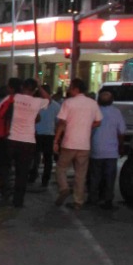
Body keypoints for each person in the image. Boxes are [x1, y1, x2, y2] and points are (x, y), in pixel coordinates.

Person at [53, 78, 102, 209]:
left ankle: (63, 188)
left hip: (69, 142)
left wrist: (56, 140)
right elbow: (98, 122)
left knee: (61, 168)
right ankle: (78, 202)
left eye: (70, 87)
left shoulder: (68, 103)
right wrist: (87, 126)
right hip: (84, 144)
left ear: (75, 89)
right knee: (81, 174)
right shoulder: (93, 103)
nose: (69, 89)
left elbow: (62, 123)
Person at [4, 79, 50, 208]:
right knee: (22, 172)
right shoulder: (37, 101)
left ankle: (5, 193)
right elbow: (48, 99)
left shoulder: (15, 97)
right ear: (34, 89)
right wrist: (40, 87)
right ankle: (18, 201)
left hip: (12, 138)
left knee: (7, 168)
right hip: (28, 141)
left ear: (22, 86)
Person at [88, 88, 127, 209]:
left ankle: (93, 198)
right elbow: (121, 132)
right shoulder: (116, 112)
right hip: (111, 150)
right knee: (110, 177)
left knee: (95, 176)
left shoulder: (93, 111)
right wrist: (121, 146)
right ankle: (107, 200)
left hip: (96, 148)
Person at [0, 78, 21, 196]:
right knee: (19, 165)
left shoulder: (8, 99)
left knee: (4, 163)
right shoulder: (25, 100)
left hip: (6, 135)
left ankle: (4, 186)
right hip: (22, 136)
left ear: (11, 88)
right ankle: (17, 188)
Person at [30, 89, 60, 187]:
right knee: (47, 158)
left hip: (37, 133)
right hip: (48, 134)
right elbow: (58, 121)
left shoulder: (36, 103)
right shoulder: (56, 105)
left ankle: (34, 176)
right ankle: (44, 179)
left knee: (36, 157)